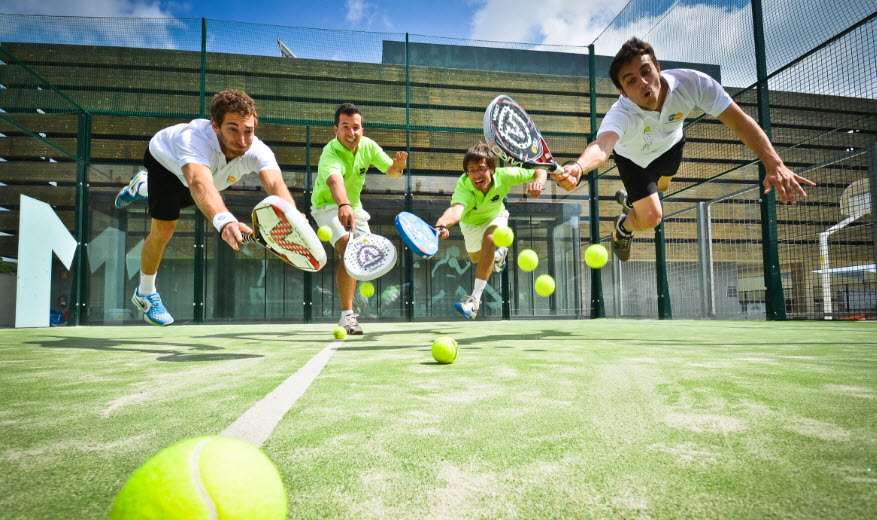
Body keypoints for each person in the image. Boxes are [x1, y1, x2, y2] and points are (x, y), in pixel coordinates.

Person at [554, 37, 815, 261]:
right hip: (634, 160)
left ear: (658, 67)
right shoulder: (620, 114)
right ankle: (623, 226)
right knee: (652, 217)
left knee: (663, 187)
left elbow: (739, 121)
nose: (644, 83)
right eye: (631, 81)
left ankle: (633, 199)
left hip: (670, 147)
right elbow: (603, 146)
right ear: (622, 91)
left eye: (646, 71)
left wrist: (775, 164)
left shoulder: (693, 84)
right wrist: (578, 167)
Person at [114, 89, 298, 326]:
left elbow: (275, 183)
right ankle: (145, 293)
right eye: (232, 129)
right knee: (165, 226)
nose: (242, 140)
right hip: (165, 163)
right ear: (215, 126)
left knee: (195, 195)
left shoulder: (257, 150)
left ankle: (141, 187)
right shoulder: (193, 139)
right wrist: (225, 221)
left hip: (208, 178)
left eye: (248, 131)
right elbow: (198, 182)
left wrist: (292, 218)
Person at [311, 103, 407, 335]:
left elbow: (392, 172)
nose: (351, 133)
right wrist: (343, 204)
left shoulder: (368, 146)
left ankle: (354, 301)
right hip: (326, 206)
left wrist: (399, 166)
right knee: (348, 246)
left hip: (355, 209)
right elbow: (335, 181)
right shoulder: (330, 152)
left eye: (356, 127)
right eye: (345, 127)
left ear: (362, 129)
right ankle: (347, 316)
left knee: (361, 255)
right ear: (336, 129)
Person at [434, 143, 546, 320]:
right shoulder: (464, 187)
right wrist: (442, 226)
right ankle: (498, 255)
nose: (476, 175)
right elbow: (455, 211)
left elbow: (539, 170)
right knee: (478, 259)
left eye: (481, 169)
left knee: (490, 238)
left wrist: (538, 183)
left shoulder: (505, 175)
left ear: (492, 169)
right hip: (470, 224)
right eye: (471, 170)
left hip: (496, 215)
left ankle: (473, 301)